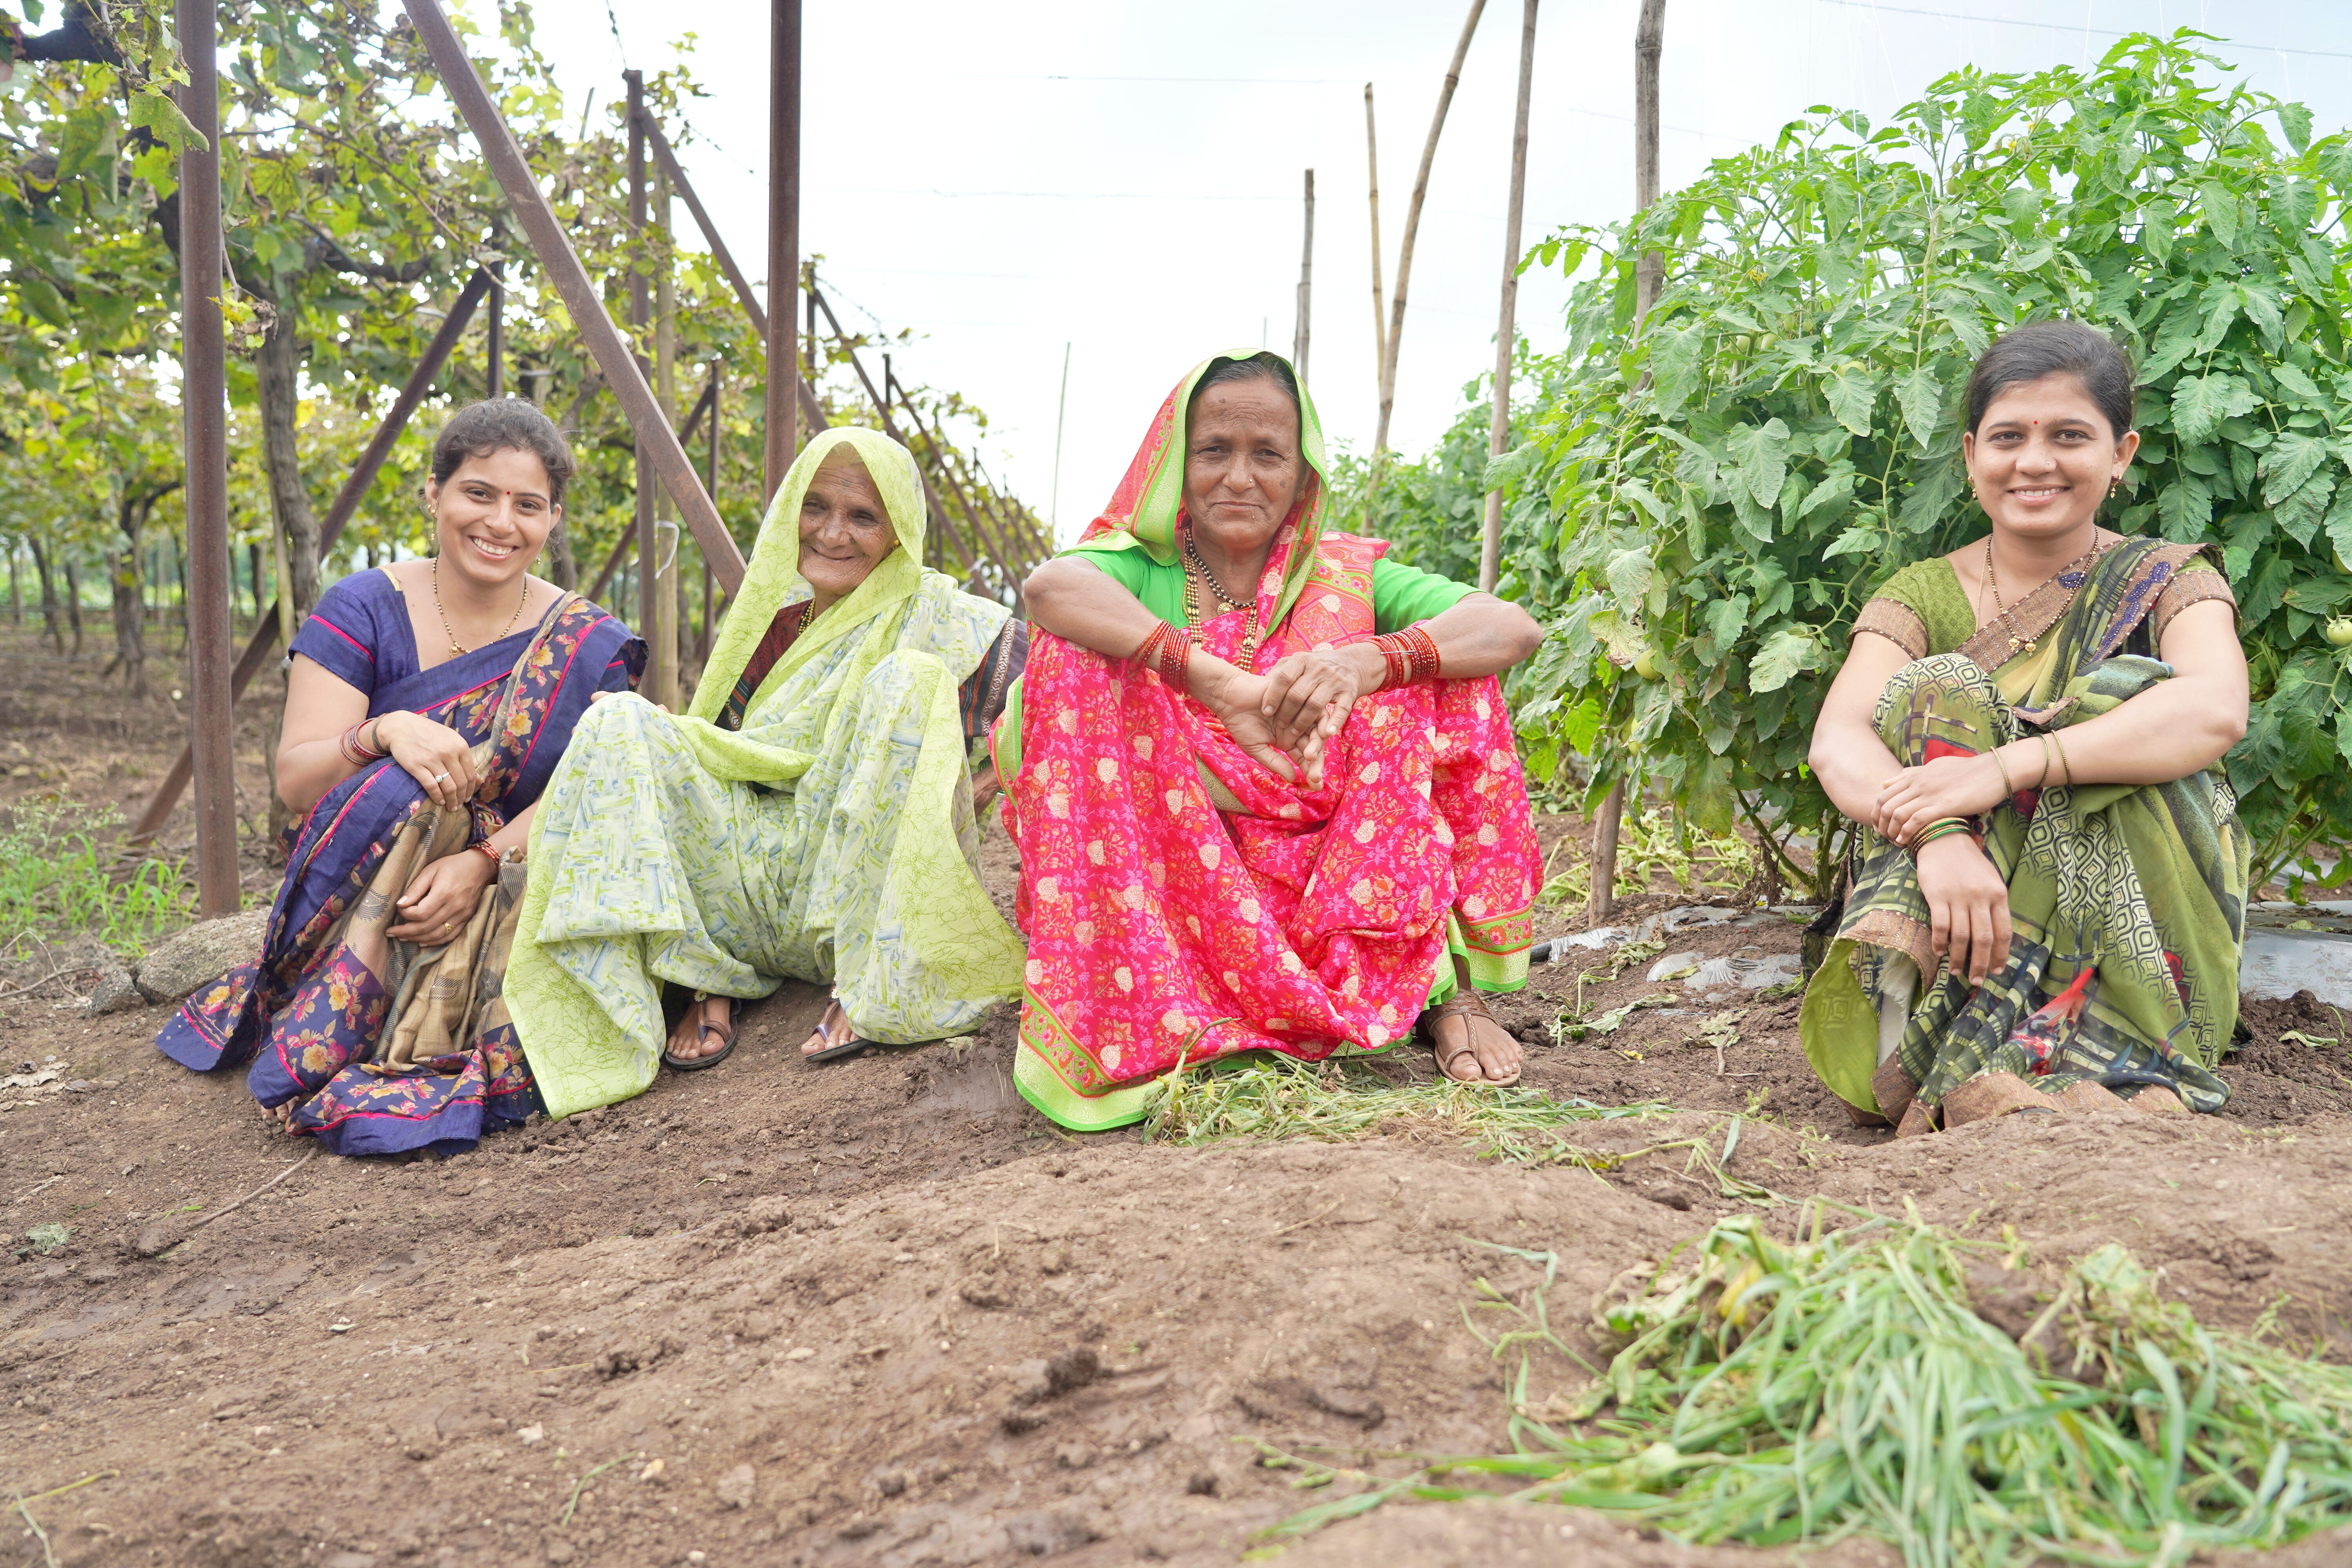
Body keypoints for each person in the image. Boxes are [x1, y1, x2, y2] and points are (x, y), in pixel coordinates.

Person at [1001, 349, 1546, 1132]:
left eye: (1268, 455)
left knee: (1447, 675)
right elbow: (1051, 590)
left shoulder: (1347, 577)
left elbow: (1510, 626)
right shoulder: (1138, 565)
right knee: (1065, 664)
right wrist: (1217, 683)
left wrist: (1367, 659)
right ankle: (1143, 998)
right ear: (1175, 464)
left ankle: (1447, 992)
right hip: (1180, 878)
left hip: (1328, 869)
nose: (1239, 477)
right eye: (1214, 450)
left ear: (1303, 472)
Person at [156, 400, 646, 1155]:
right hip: (365, 880)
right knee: (400, 785)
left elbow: (590, 791)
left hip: (514, 873)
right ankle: (344, 1005)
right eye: (478, 494)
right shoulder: (365, 608)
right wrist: (383, 731)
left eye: (528, 505)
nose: (500, 523)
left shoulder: (589, 642)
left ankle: (431, 1022)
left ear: (553, 520)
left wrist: (480, 866)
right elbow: (295, 784)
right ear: (435, 494)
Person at [1801, 319, 2249, 1133]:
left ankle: (2114, 1060)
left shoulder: (2168, 581)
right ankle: (1944, 1047)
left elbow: (2214, 707)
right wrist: (1939, 832)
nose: (2035, 461)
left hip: (2144, 939)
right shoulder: (1922, 594)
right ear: (1973, 455)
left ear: (2122, 453)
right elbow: (1839, 740)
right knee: (1942, 686)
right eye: (2008, 437)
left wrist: (2012, 767)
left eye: (2069, 435)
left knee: (2133, 693)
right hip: (1957, 898)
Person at [503, 426, 1027, 1117]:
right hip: (759, 891)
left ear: (900, 530)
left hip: (860, 894)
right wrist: (665, 735)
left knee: (911, 679)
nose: (833, 533)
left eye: (863, 516)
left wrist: (964, 792)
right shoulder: (775, 629)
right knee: (618, 720)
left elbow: (1048, 724)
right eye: (816, 509)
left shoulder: (958, 624)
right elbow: (726, 769)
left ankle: (870, 980)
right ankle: (703, 976)